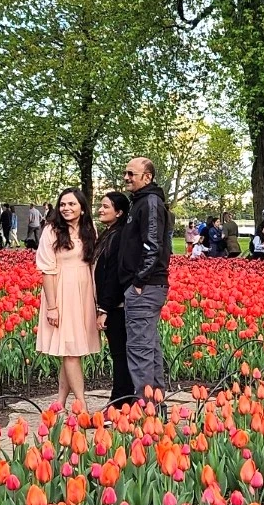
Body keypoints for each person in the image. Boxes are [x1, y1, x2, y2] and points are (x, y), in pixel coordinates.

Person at [34, 188, 101, 412]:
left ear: (82, 208)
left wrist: (98, 302)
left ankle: (60, 402)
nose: (66, 208)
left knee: (71, 350)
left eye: (72, 204)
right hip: (61, 291)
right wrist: (52, 307)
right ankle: (82, 405)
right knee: (71, 349)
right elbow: (47, 271)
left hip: (84, 291)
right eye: (63, 204)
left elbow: (94, 265)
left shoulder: (90, 229)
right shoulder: (51, 231)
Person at [121, 158, 170, 401]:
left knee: (140, 350)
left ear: (147, 177)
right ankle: (155, 408)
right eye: (125, 173)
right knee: (149, 349)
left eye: (131, 173)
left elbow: (152, 245)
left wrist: (138, 282)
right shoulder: (141, 202)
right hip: (148, 285)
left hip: (146, 287)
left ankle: (144, 410)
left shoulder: (149, 202)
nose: (126, 177)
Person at [90, 191, 135, 408]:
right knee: (119, 352)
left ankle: (120, 401)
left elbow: (114, 275)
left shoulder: (118, 237)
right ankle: (121, 399)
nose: (100, 209)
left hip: (116, 306)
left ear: (119, 212)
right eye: (100, 206)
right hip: (111, 304)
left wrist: (104, 308)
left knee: (120, 353)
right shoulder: (109, 234)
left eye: (106, 207)